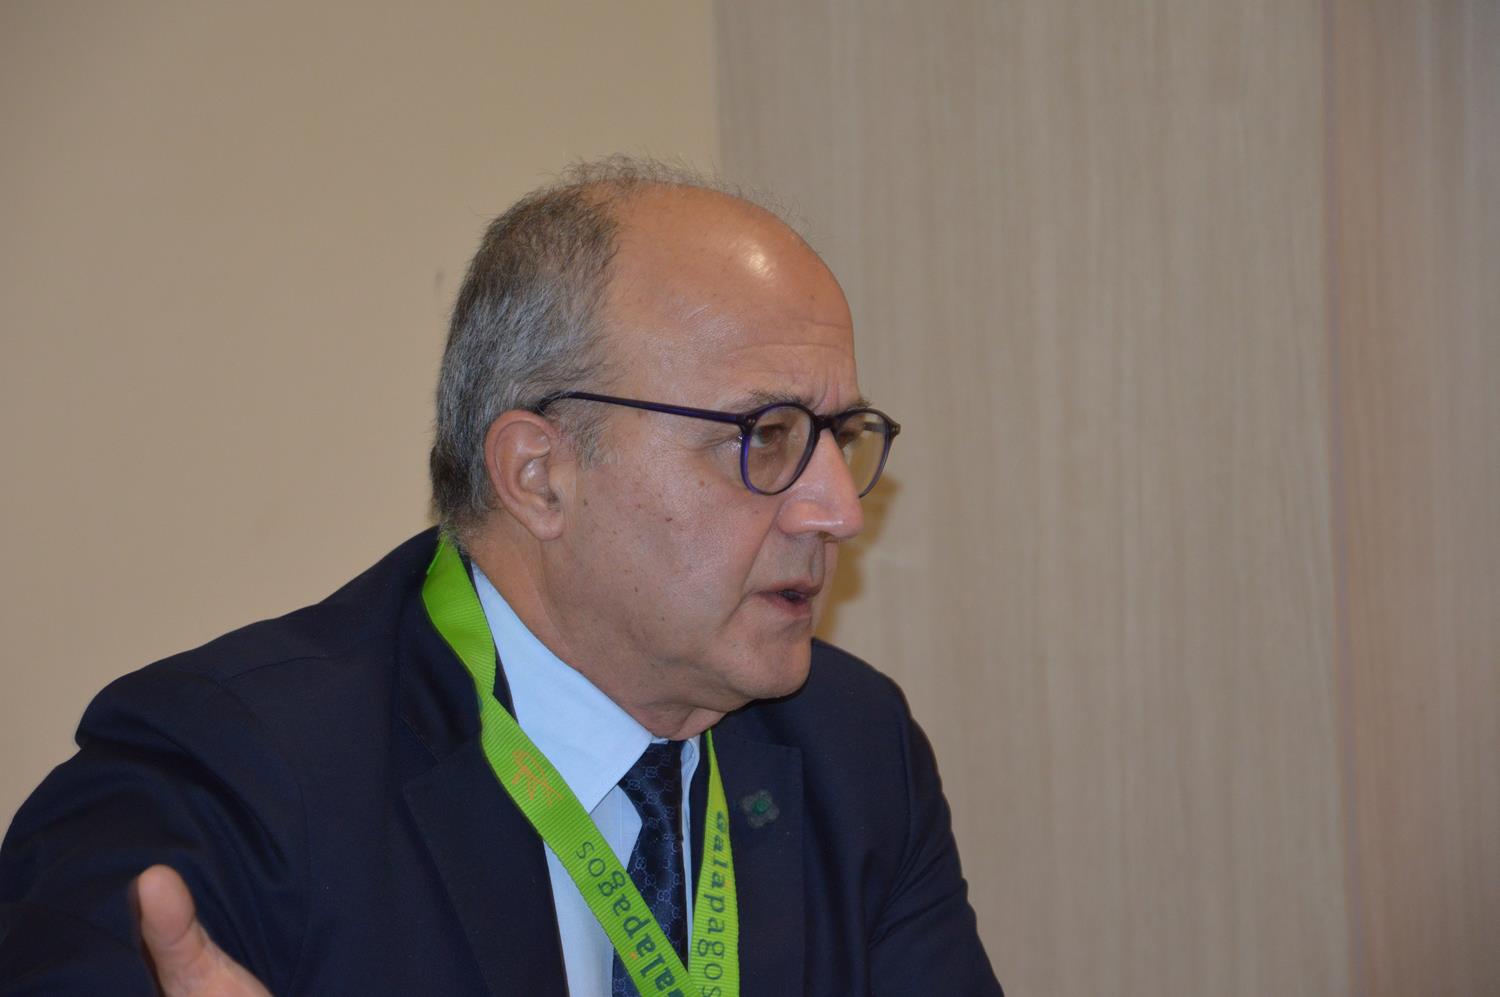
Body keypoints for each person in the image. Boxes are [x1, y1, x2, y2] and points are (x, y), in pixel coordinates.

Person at [0, 159, 1002, 995]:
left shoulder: (853, 749)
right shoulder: (233, 771)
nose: (838, 508)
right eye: (766, 435)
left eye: (840, 435)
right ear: (539, 474)